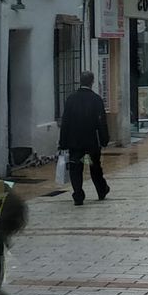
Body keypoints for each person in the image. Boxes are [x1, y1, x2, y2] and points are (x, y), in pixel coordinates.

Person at [58, 71, 110, 204]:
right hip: (91, 143)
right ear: (92, 82)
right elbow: (101, 122)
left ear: (80, 82)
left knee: (76, 168)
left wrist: (63, 142)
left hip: (75, 144)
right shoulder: (96, 99)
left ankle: (78, 195)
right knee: (94, 166)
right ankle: (101, 190)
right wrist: (104, 139)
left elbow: (65, 122)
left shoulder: (71, 99)